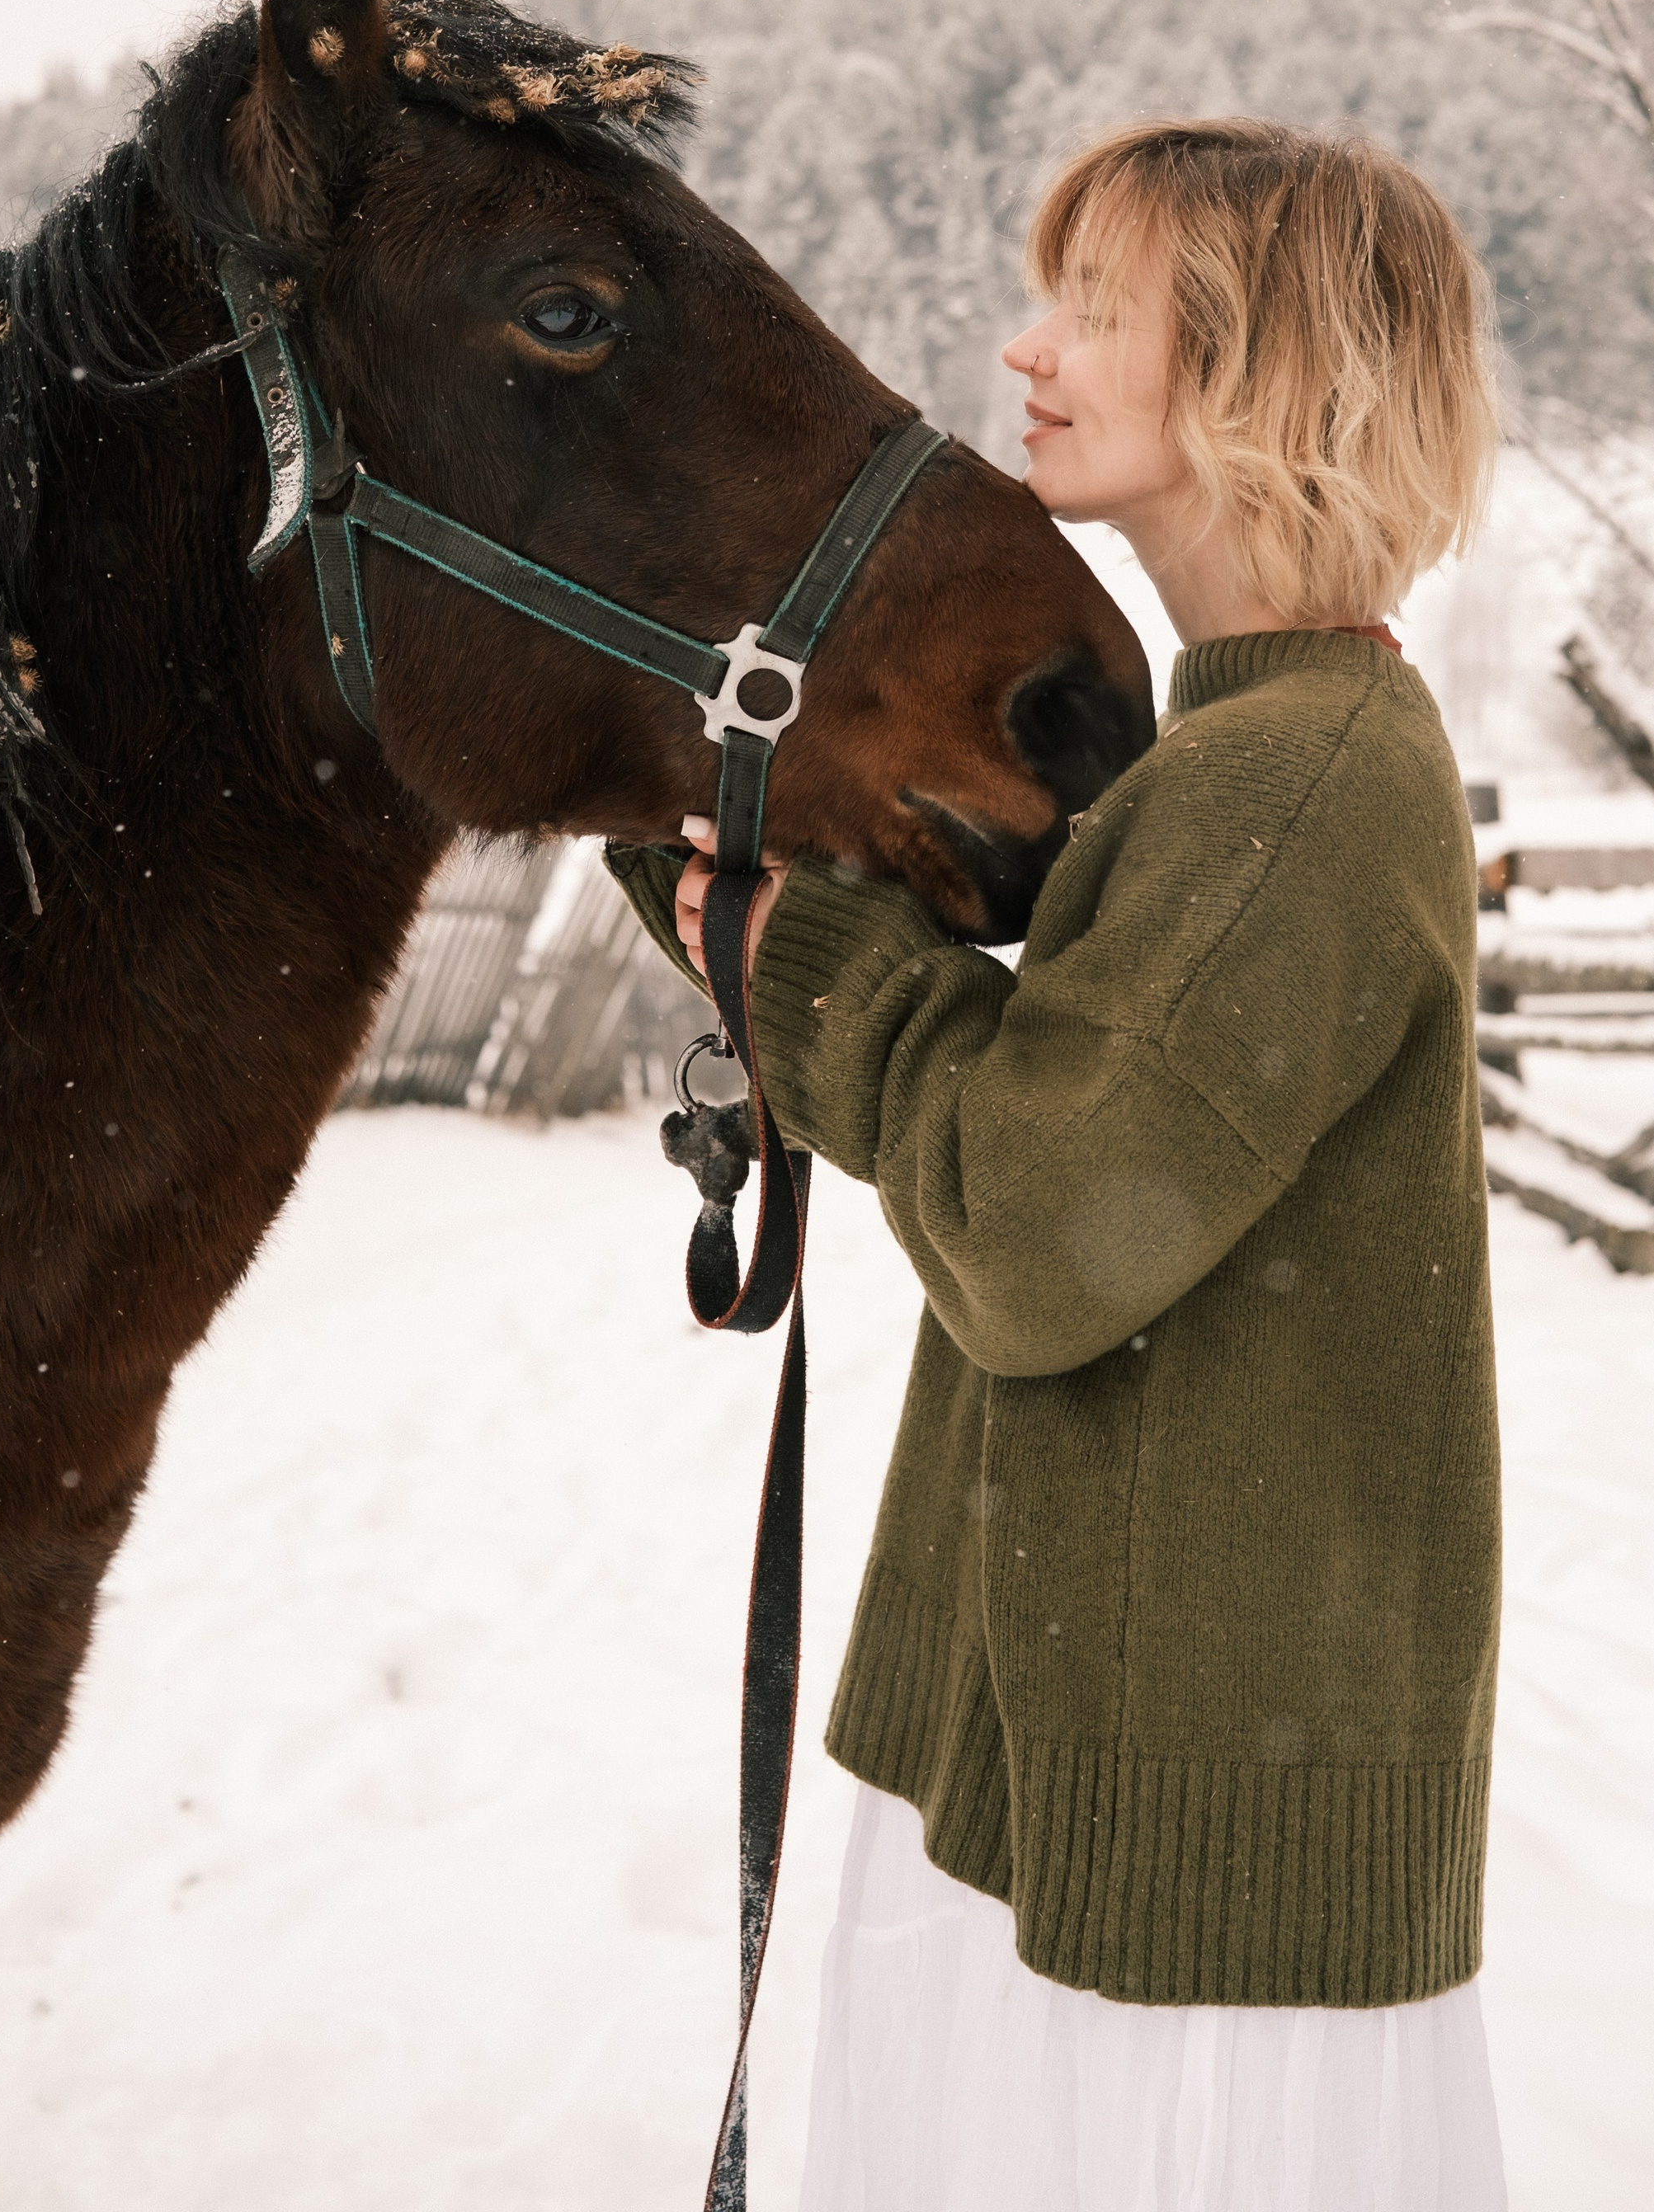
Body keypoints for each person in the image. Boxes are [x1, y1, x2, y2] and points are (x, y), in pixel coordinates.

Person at [610, 116, 1507, 2211]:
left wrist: (798, 965)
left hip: (1188, 1892)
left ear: (1267, 373)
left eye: (1097, 309)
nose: (1026, 349)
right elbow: (1057, 1116)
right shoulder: (1235, 757)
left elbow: (1033, 1228)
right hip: (1075, 1770)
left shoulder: (1293, 785)